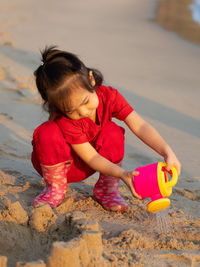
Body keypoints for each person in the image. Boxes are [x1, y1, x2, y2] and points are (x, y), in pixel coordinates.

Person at [31, 46, 181, 212]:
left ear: (91, 79)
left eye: (85, 101)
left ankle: (107, 190)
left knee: (112, 132)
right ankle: (55, 189)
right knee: (47, 132)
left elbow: (140, 125)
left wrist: (166, 151)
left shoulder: (109, 97)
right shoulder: (66, 120)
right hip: (65, 166)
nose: (82, 112)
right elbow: (91, 157)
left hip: (99, 165)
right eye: (70, 110)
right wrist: (122, 174)